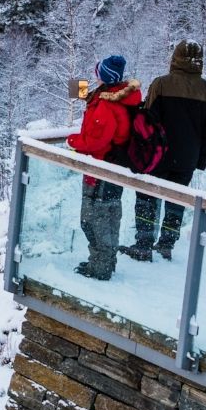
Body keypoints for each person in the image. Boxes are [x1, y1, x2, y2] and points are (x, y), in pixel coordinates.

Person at [119, 41, 206, 262]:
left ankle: (143, 244)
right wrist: (200, 159)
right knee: (176, 200)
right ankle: (166, 245)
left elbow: (147, 119)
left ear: (175, 58)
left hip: (158, 154)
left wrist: (138, 153)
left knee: (147, 197)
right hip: (187, 158)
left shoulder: (161, 84)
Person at [68, 55, 140, 280]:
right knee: (109, 216)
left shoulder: (107, 105)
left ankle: (99, 268)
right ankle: (105, 262)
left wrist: (73, 140)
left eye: (98, 73)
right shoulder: (119, 96)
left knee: (93, 219)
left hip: (101, 169)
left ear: (105, 77)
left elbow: (96, 140)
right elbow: (90, 100)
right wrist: (79, 89)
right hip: (113, 168)